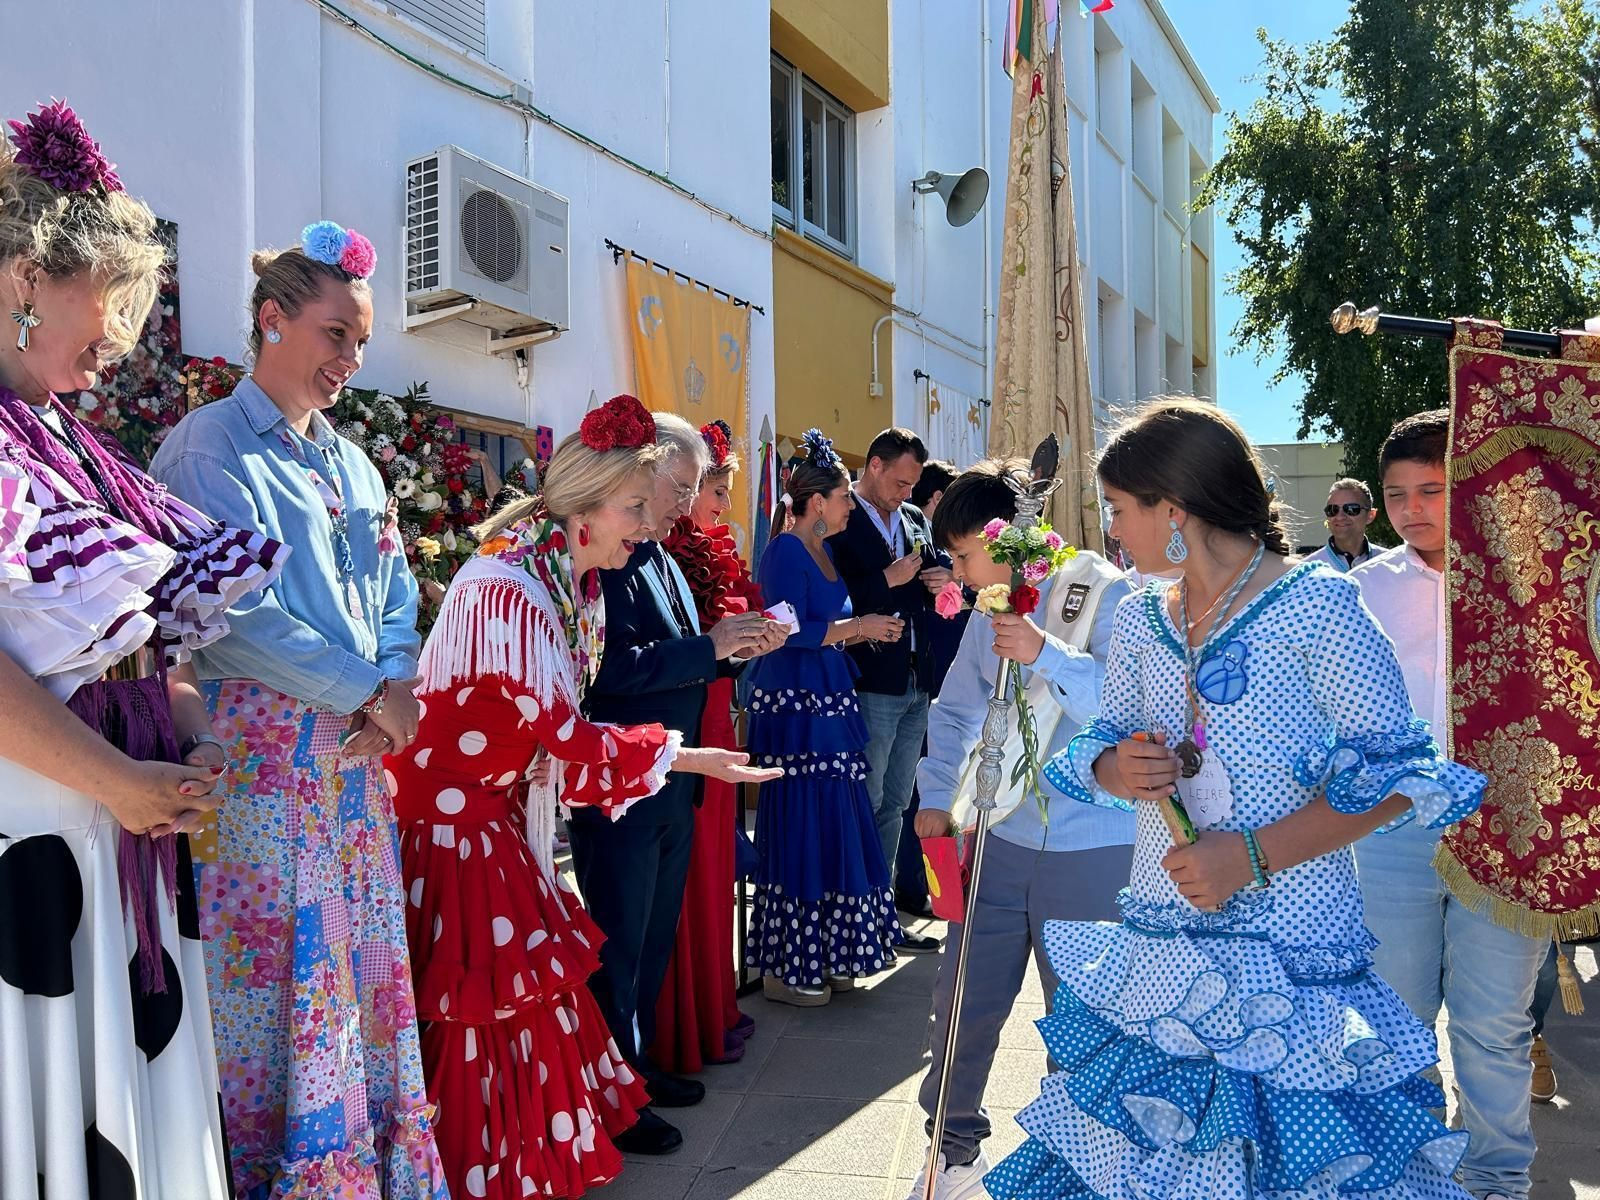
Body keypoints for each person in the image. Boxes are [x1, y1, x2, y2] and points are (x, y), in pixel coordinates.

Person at [984, 398, 1485, 1200]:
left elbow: (1400, 780)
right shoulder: (1145, 614)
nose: (1113, 532)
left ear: (1174, 509)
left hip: (1292, 956)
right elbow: (1096, 745)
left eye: (1119, 509)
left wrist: (1248, 855)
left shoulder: (1320, 606)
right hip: (1163, 951)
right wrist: (1122, 766)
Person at [384, 396, 780, 1198]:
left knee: (516, 1008)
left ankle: (495, 1163)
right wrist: (698, 758)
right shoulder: (511, 593)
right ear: (582, 502)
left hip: (488, 821)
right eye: (636, 506)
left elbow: (563, 742)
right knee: (488, 1012)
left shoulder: (563, 585)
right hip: (457, 831)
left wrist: (696, 759)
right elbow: (573, 743)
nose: (647, 525)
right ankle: (473, 1170)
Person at [0, 100, 285, 1197]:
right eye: (112, 299)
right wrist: (118, 780)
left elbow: (146, 643)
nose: (122, 336)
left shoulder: (72, 446)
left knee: (110, 1113)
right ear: (29, 276)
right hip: (41, 848)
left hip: (110, 839)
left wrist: (193, 738)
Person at [150, 223, 447, 1197]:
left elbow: (397, 593)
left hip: (354, 770)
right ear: (270, 322)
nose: (350, 361)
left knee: (358, 991)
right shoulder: (207, 450)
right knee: (277, 1001)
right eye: (334, 336)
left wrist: (394, 685)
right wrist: (371, 690)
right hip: (261, 776)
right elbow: (231, 627)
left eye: (359, 342)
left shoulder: (353, 464)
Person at [904, 459, 1135, 1200]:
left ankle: (1078, 1164)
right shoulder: (989, 605)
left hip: (1093, 847)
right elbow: (958, 708)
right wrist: (937, 795)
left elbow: (1126, 705)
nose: (961, 575)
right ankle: (952, 1148)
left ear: (1005, 538)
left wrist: (1044, 652)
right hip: (997, 840)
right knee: (962, 1002)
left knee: (1082, 1021)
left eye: (965, 556)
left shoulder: (1109, 592)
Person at [569, 406, 787, 1153]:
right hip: (623, 789)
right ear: (645, 470)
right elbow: (605, 677)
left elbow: (678, 653)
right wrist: (707, 648)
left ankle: (638, 1069)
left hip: (672, 777)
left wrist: (735, 647)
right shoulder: (611, 551)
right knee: (619, 948)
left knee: (651, 942)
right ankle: (615, 1094)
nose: (686, 504)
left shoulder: (658, 553)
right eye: (681, 487)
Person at [1349, 409, 1550, 1200]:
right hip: (1391, 830)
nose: (1412, 509)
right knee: (1394, 1021)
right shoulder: (1359, 591)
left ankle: (1498, 1181)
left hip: (1507, 827)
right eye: (1395, 494)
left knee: (1494, 1025)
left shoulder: (1537, 581)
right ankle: (1410, 1175)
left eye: (1432, 488)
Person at [745, 429, 906, 1005]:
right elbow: (784, 632)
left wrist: (862, 629)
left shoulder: (825, 550)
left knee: (838, 813)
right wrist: (860, 628)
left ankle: (834, 952)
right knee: (804, 818)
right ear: (817, 503)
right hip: (795, 703)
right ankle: (789, 968)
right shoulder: (786, 549)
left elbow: (824, 625)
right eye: (843, 498)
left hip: (829, 695)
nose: (847, 507)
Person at [652, 419, 764, 1072]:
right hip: (685, 729)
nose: (721, 505)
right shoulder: (661, 553)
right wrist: (721, 646)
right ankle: (679, 1023)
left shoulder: (706, 551)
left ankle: (706, 1006)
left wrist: (744, 645)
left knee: (711, 871)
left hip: (714, 715)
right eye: (714, 490)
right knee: (687, 876)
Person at [828, 427, 950, 952]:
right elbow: (835, 595)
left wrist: (941, 578)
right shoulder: (840, 517)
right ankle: (861, 915)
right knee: (871, 796)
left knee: (898, 800)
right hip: (871, 678)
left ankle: (880, 915)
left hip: (917, 678)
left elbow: (929, 572)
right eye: (900, 482)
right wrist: (890, 579)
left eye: (912, 484)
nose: (906, 493)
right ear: (873, 465)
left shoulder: (917, 519)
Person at [894, 459, 962, 917]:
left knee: (923, 793)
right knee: (914, 795)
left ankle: (925, 891)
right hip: (928, 683)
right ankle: (914, 890)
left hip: (937, 684)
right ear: (937, 500)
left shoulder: (938, 547)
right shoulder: (920, 540)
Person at [1304, 476, 1385, 571]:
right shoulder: (1308, 569)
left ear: (1370, 515)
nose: (1340, 517)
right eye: (1333, 510)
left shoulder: (1390, 564)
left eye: (1351, 509)